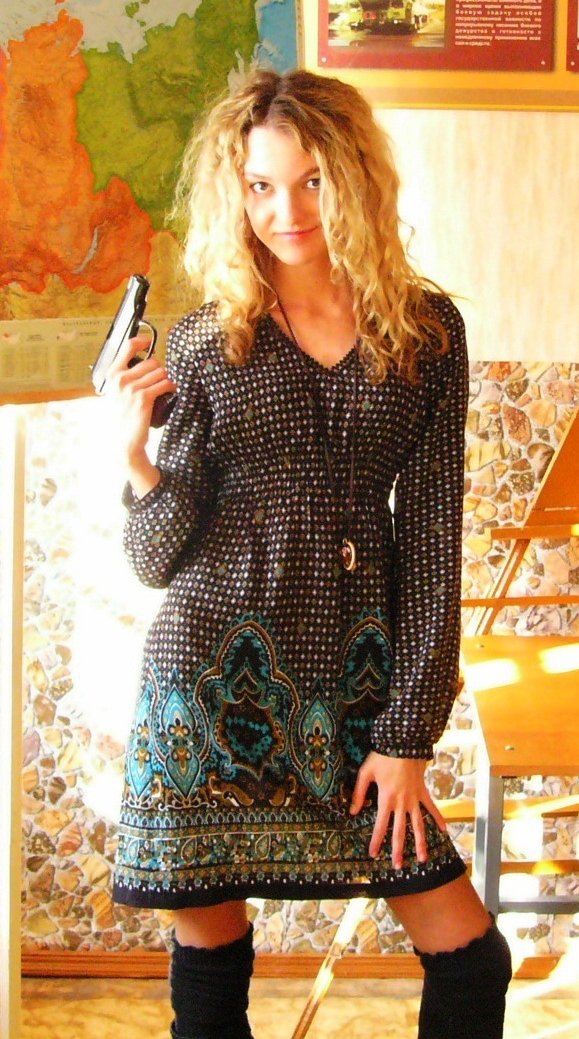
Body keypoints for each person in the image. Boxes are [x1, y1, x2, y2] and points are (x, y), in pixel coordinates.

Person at [107, 68, 512, 1038]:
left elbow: (432, 539)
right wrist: (133, 458)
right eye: (260, 185)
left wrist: (408, 734)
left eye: (313, 181)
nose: (286, 211)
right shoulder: (206, 340)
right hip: (206, 688)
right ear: (235, 193)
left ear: (357, 179)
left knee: (469, 952)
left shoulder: (425, 331)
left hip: (357, 691)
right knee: (212, 962)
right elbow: (155, 561)